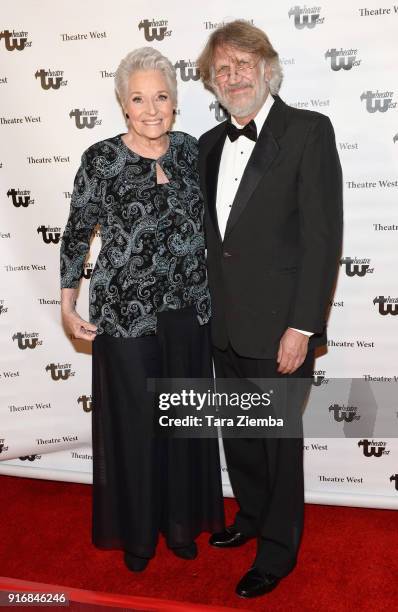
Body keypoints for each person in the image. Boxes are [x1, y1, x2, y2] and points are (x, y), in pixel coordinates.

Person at [60, 47, 224, 573]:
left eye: (161, 96)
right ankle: (138, 533)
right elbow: (75, 236)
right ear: (122, 104)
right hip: (124, 315)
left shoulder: (193, 152)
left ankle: (179, 524)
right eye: (139, 98)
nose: (151, 109)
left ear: (175, 101)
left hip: (187, 309)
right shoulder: (101, 159)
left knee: (182, 419)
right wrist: (67, 305)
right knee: (134, 425)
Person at [197, 20, 343, 598]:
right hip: (225, 325)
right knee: (241, 434)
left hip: (282, 326)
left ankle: (278, 553)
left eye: (242, 64)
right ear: (212, 81)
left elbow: (322, 238)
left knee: (278, 444)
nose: (233, 77)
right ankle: (251, 518)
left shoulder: (308, 131)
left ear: (267, 68)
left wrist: (302, 327)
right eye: (222, 69)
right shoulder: (207, 145)